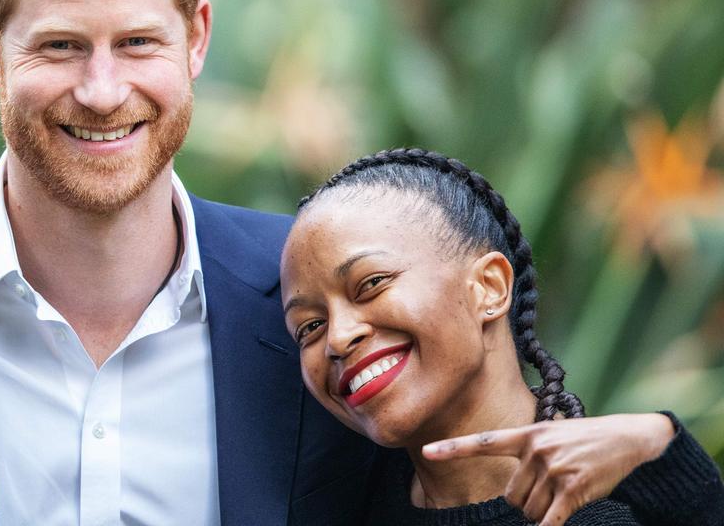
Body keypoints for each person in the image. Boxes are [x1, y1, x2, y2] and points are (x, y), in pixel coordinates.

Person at [0, 0, 377, 525]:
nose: (104, 92)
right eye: (60, 45)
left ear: (196, 39)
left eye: (138, 42)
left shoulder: (310, 299)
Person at [281, 147, 724, 525]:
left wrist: (664, 453)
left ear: (490, 287)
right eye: (309, 327)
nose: (337, 338)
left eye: (371, 283)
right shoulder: (339, 502)